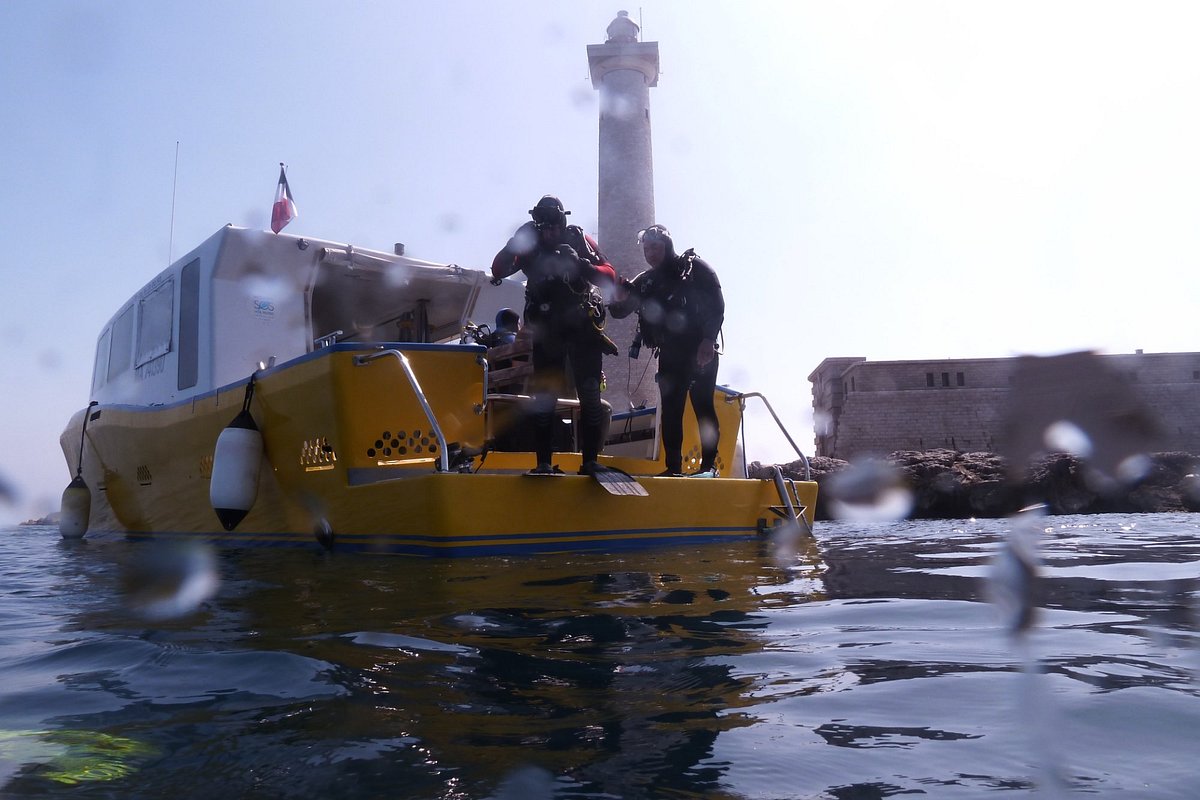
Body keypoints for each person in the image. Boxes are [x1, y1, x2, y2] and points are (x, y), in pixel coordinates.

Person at [491, 196, 618, 475]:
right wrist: (514, 243)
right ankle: (544, 463)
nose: (551, 233)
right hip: (548, 330)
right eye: (545, 228)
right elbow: (498, 269)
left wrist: (582, 266)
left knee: (589, 394)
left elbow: (610, 276)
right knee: (545, 396)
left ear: (563, 222)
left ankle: (590, 462)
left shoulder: (577, 237)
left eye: (555, 227)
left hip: (581, 326)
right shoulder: (528, 244)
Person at [609, 225, 725, 477]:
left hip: (699, 351)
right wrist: (616, 297)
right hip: (670, 354)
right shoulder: (646, 281)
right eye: (647, 249)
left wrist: (708, 340)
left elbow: (717, 305)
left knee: (702, 406)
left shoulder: (694, 269)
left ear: (667, 247)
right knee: (671, 411)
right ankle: (673, 468)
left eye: (656, 248)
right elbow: (619, 312)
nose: (651, 253)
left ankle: (709, 467)